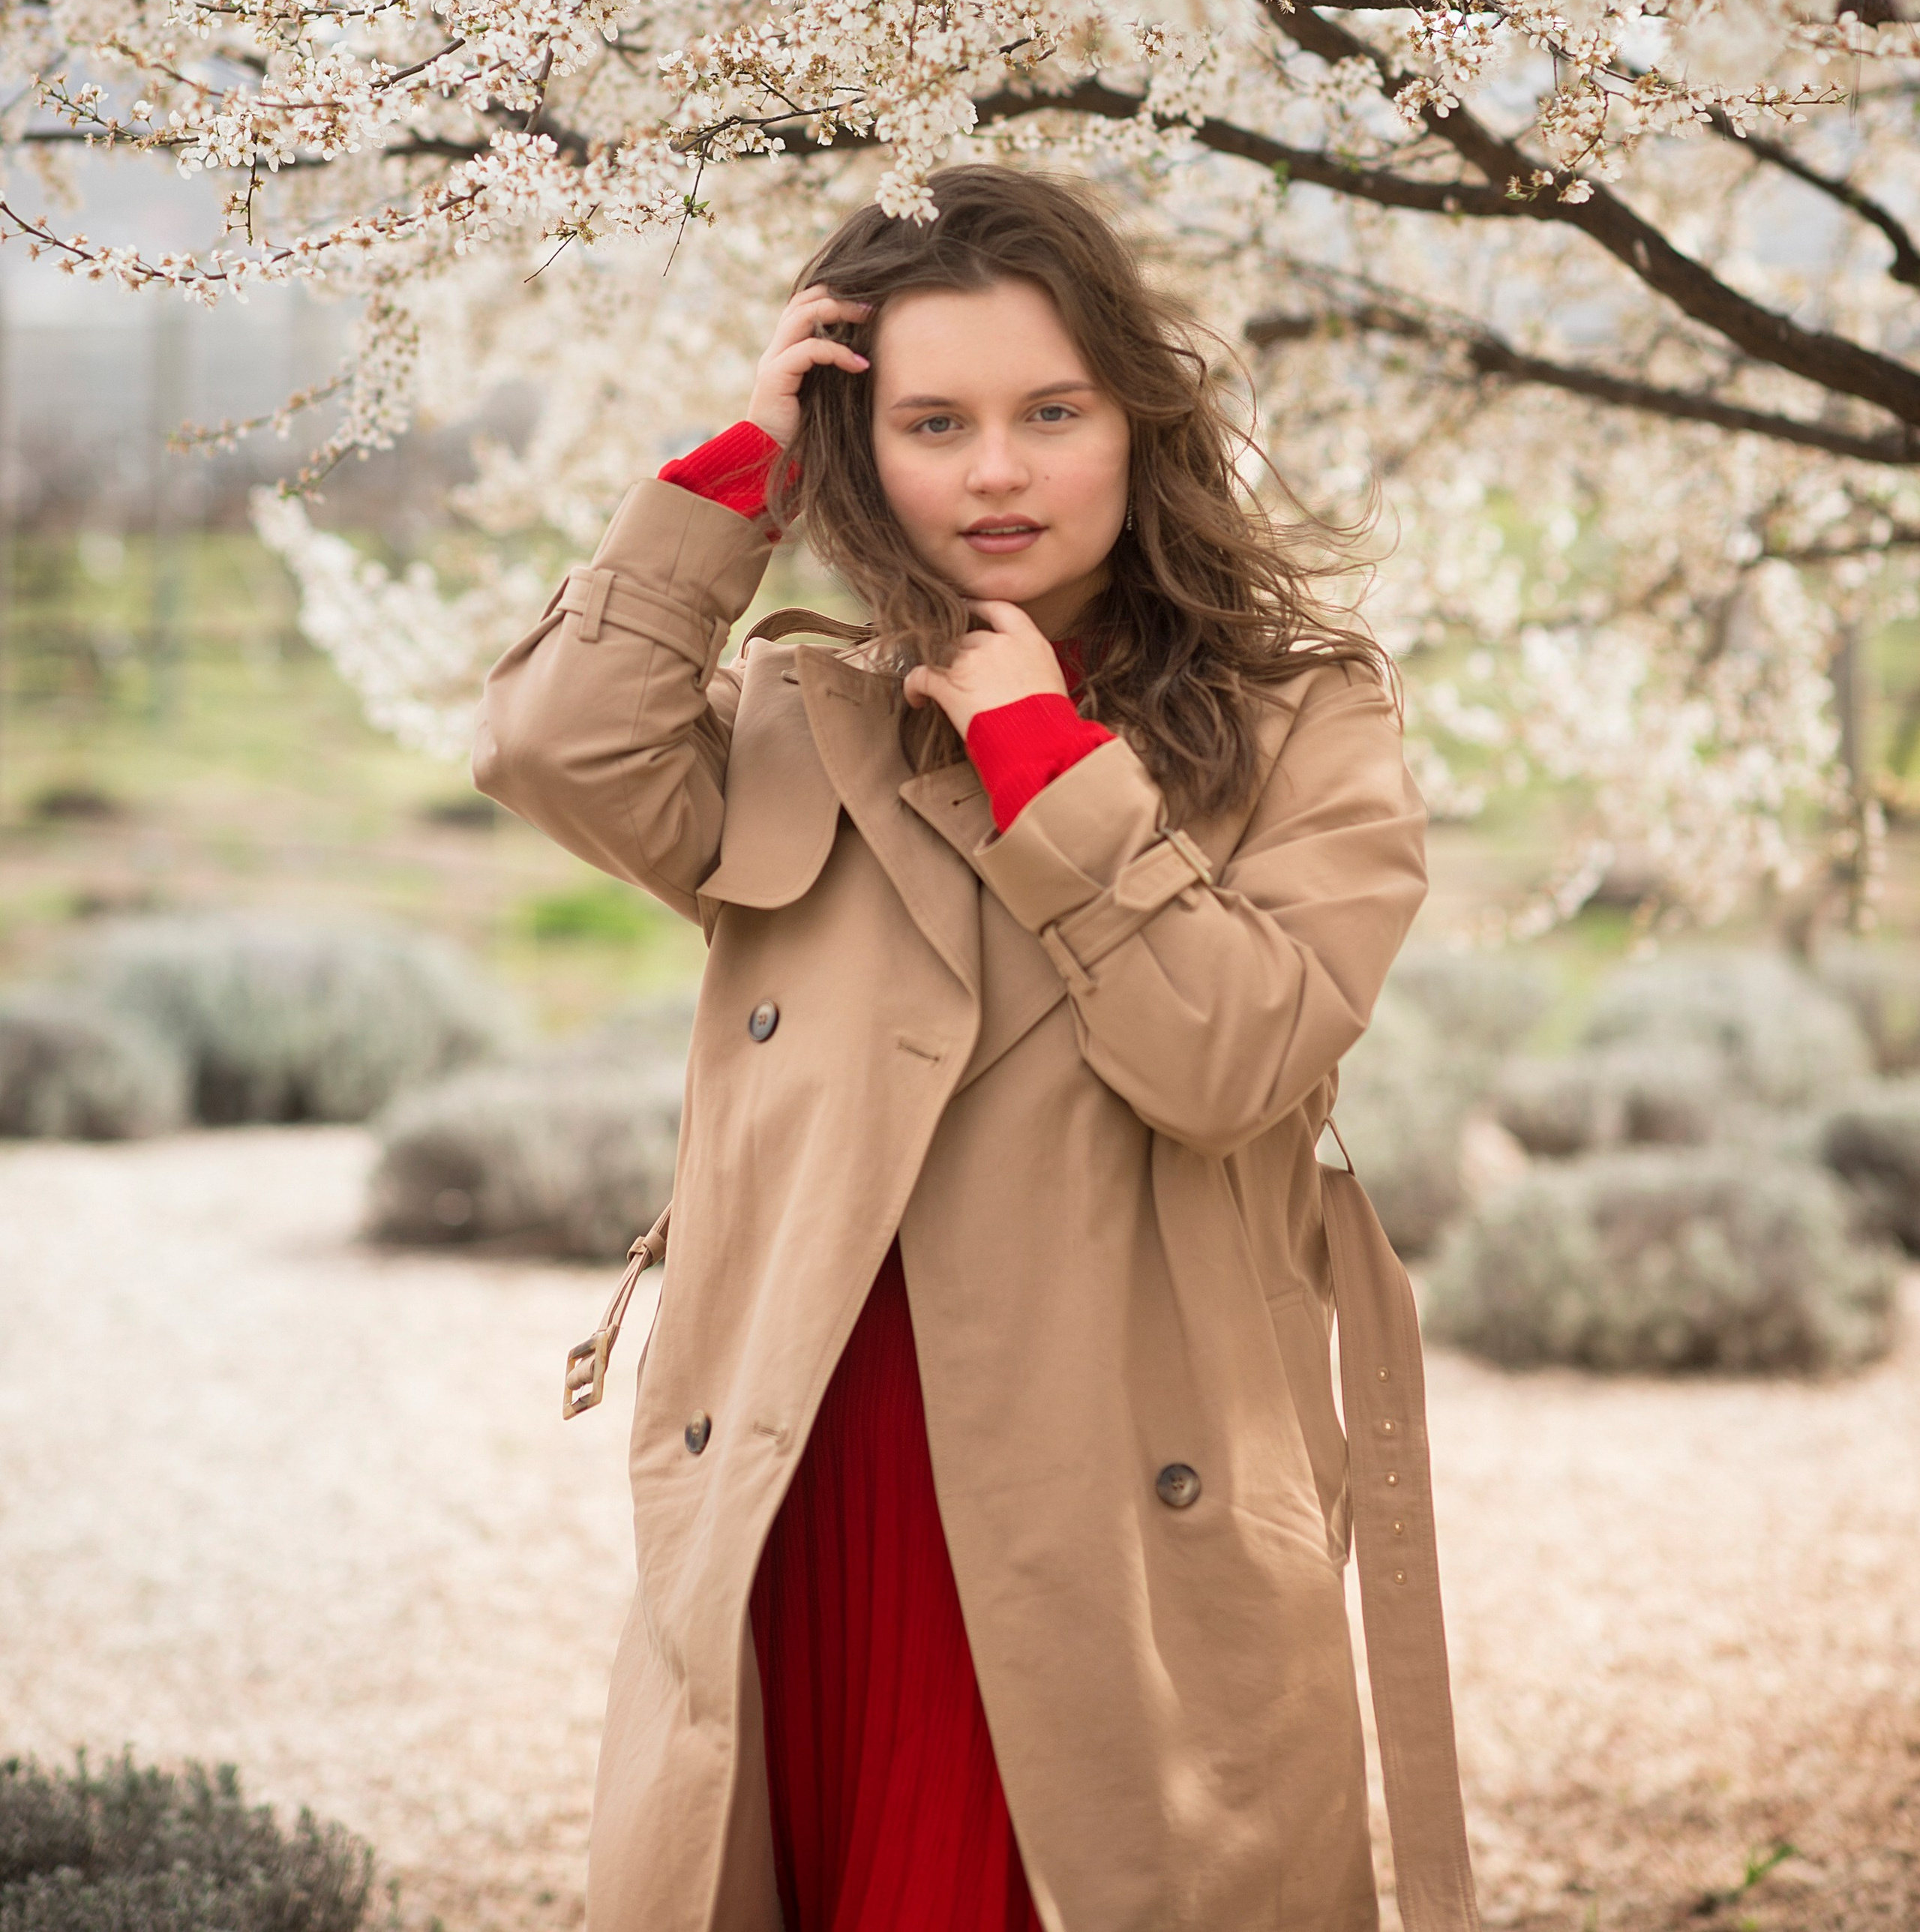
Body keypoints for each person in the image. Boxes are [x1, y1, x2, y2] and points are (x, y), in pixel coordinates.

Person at [474, 165, 1476, 1932]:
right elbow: (560, 750)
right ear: (859, 449)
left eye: (1048, 412)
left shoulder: (1302, 714)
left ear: (1134, 422)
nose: (994, 470)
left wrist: (1041, 750)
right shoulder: (811, 705)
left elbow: (1229, 1051)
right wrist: (730, 488)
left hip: (1110, 1462)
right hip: (820, 1443)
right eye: (930, 421)